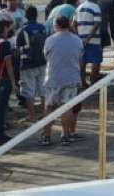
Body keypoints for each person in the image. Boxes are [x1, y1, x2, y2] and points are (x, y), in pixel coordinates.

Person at [41, 15, 83, 146]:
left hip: (53, 77)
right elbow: (80, 58)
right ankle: (65, 134)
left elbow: (46, 56)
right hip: (71, 77)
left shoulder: (50, 40)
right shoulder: (77, 40)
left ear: (56, 25)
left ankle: (46, 135)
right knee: (67, 107)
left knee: (49, 107)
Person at [16, 6, 47, 122]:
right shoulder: (42, 28)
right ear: (36, 15)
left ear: (26, 16)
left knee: (29, 91)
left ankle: (31, 115)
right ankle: (45, 113)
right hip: (42, 62)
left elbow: (18, 49)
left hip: (28, 64)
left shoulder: (23, 30)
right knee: (43, 89)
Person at [74, 0, 103, 86]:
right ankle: (93, 83)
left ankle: (83, 83)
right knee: (96, 61)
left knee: (83, 62)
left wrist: (78, 37)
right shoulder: (95, 7)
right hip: (93, 40)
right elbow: (97, 24)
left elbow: (73, 24)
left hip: (81, 40)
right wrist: (88, 39)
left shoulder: (79, 8)